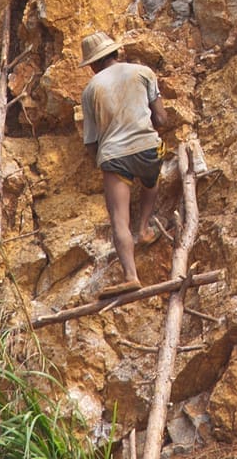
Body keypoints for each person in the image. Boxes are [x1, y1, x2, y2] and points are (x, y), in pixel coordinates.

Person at [80, 30, 167, 294]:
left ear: (93, 64)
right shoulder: (143, 72)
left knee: (119, 219)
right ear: (116, 53)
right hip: (148, 149)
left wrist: (104, 159)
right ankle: (144, 228)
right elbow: (161, 119)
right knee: (151, 182)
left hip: (115, 156)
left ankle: (131, 275)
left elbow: (91, 142)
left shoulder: (90, 90)